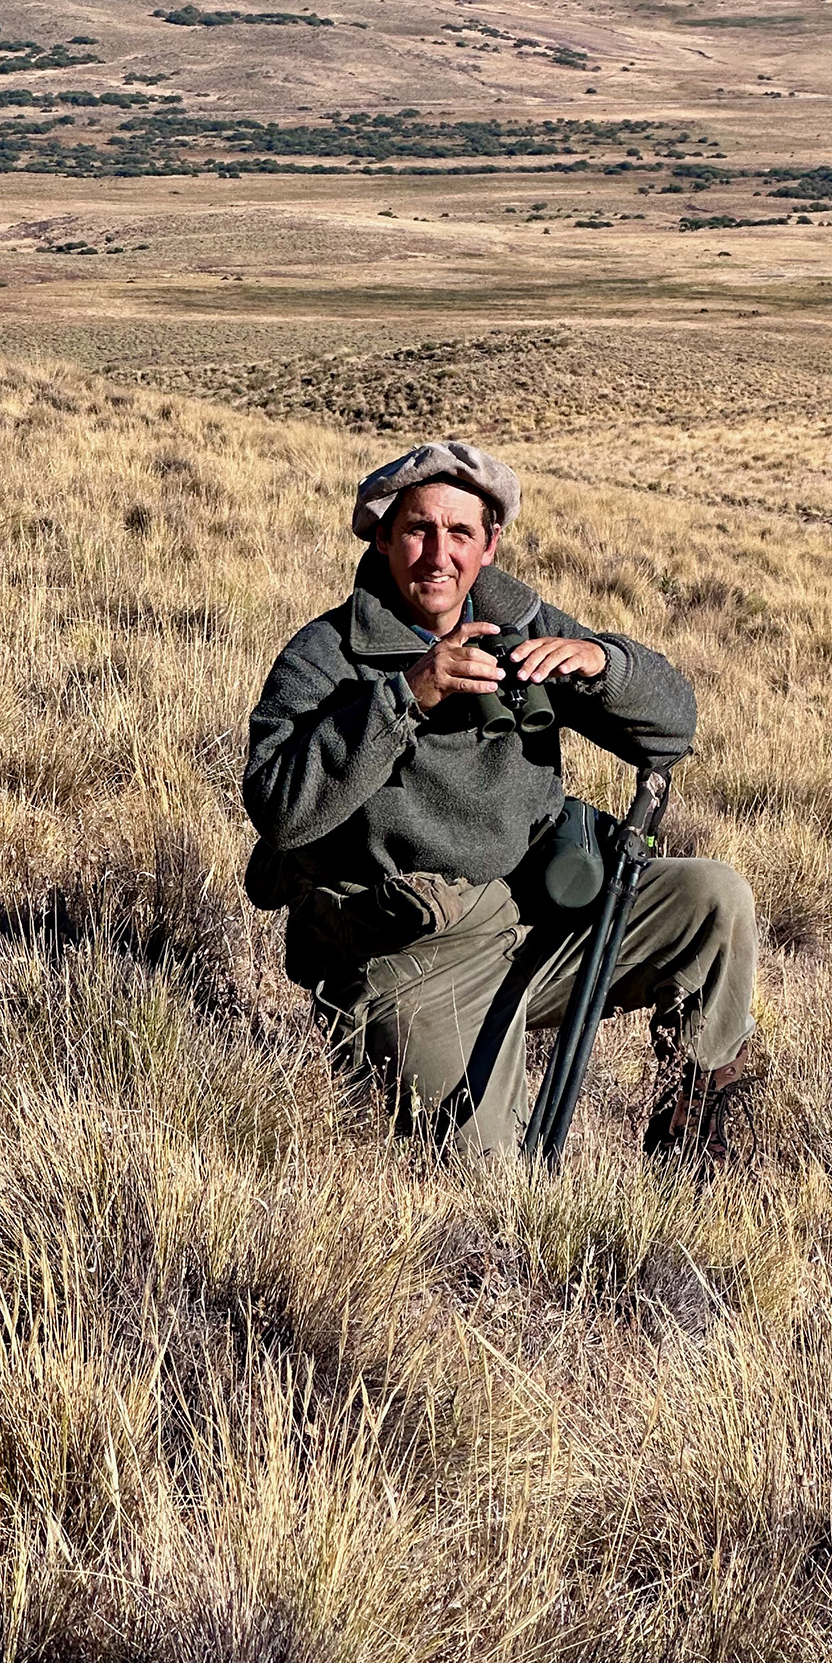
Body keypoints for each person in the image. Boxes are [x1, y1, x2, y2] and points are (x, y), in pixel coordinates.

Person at [243, 439, 761, 1168]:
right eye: (419, 528)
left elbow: (674, 726)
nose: (437, 554)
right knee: (487, 1182)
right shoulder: (328, 652)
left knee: (713, 900)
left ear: (489, 545)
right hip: (416, 953)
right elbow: (276, 805)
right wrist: (407, 695)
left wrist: (605, 665)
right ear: (384, 534)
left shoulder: (521, 623)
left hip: (542, 920)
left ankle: (694, 1139)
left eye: (460, 533)